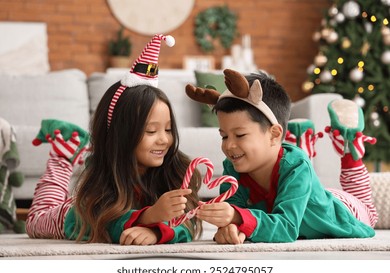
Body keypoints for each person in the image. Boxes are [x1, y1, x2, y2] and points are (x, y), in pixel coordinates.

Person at [25, 34, 203, 245]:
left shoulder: (175, 173)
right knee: (36, 222)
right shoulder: (100, 185)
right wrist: (149, 216)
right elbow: (105, 224)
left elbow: (188, 224)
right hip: (77, 216)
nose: (164, 140)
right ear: (121, 135)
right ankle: (63, 150)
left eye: (168, 129)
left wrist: (157, 232)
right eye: (151, 131)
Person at [185, 68, 378, 244]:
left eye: (240, 135)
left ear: (275, 134)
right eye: (224, 135)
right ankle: (301, 141)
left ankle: (350, 151)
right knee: (301, 175)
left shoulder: (296, 167)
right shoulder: (232, 167)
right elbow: (235, 212)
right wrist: (230, 228)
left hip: (343, 209)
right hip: (303, 192)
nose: (228, 145)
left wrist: (237, 217)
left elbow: (286, 228)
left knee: (368, 210)